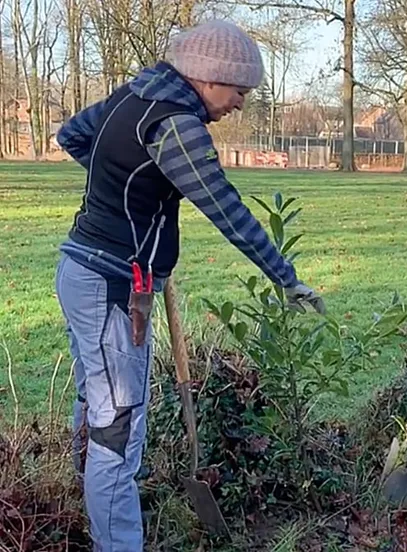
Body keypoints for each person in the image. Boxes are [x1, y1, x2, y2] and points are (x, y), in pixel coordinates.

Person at [55, 20, 324, 551]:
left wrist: (130, 188)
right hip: (112, 285)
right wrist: (286, 278)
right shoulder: (178, 125)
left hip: (84, 271)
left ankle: (89, 512)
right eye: (239, 91)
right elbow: (227, 210)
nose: (240, 105)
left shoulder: (135, 94)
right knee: (118, 429)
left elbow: (74, 135)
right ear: (208, 76)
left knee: (95, 406)